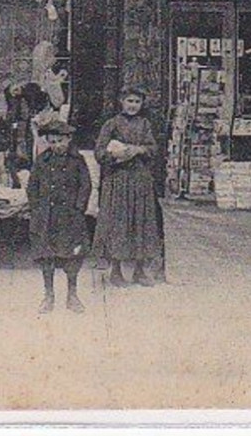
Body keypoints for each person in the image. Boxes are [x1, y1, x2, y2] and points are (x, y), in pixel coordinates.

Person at [92, 86, 164, 287]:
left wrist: (138, 150)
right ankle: (115, 270)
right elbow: (99, 152)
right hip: (118, 180)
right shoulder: (111, 124)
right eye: (129, 101)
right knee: (118, 223)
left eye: (137, 102)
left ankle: (140, 270)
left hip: (140, 180)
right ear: (121, 102)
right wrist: (116, 154)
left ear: (142, 104)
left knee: (141, 221)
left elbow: (153, 149)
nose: (133, 105)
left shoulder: (144, 124)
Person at [27, 116, 91, 314]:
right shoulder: (42, 160)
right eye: (52, 142)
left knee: (73, 255)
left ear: (69, 139)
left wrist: (79, 208)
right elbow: (33, 186)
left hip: (70, 216)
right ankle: (49, 295)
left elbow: (85, 185)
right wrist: (37, 209)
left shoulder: (77, 160)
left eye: (60, 141)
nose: (57, 146)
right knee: (47, 255)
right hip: (47, 216)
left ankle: (72, 294)